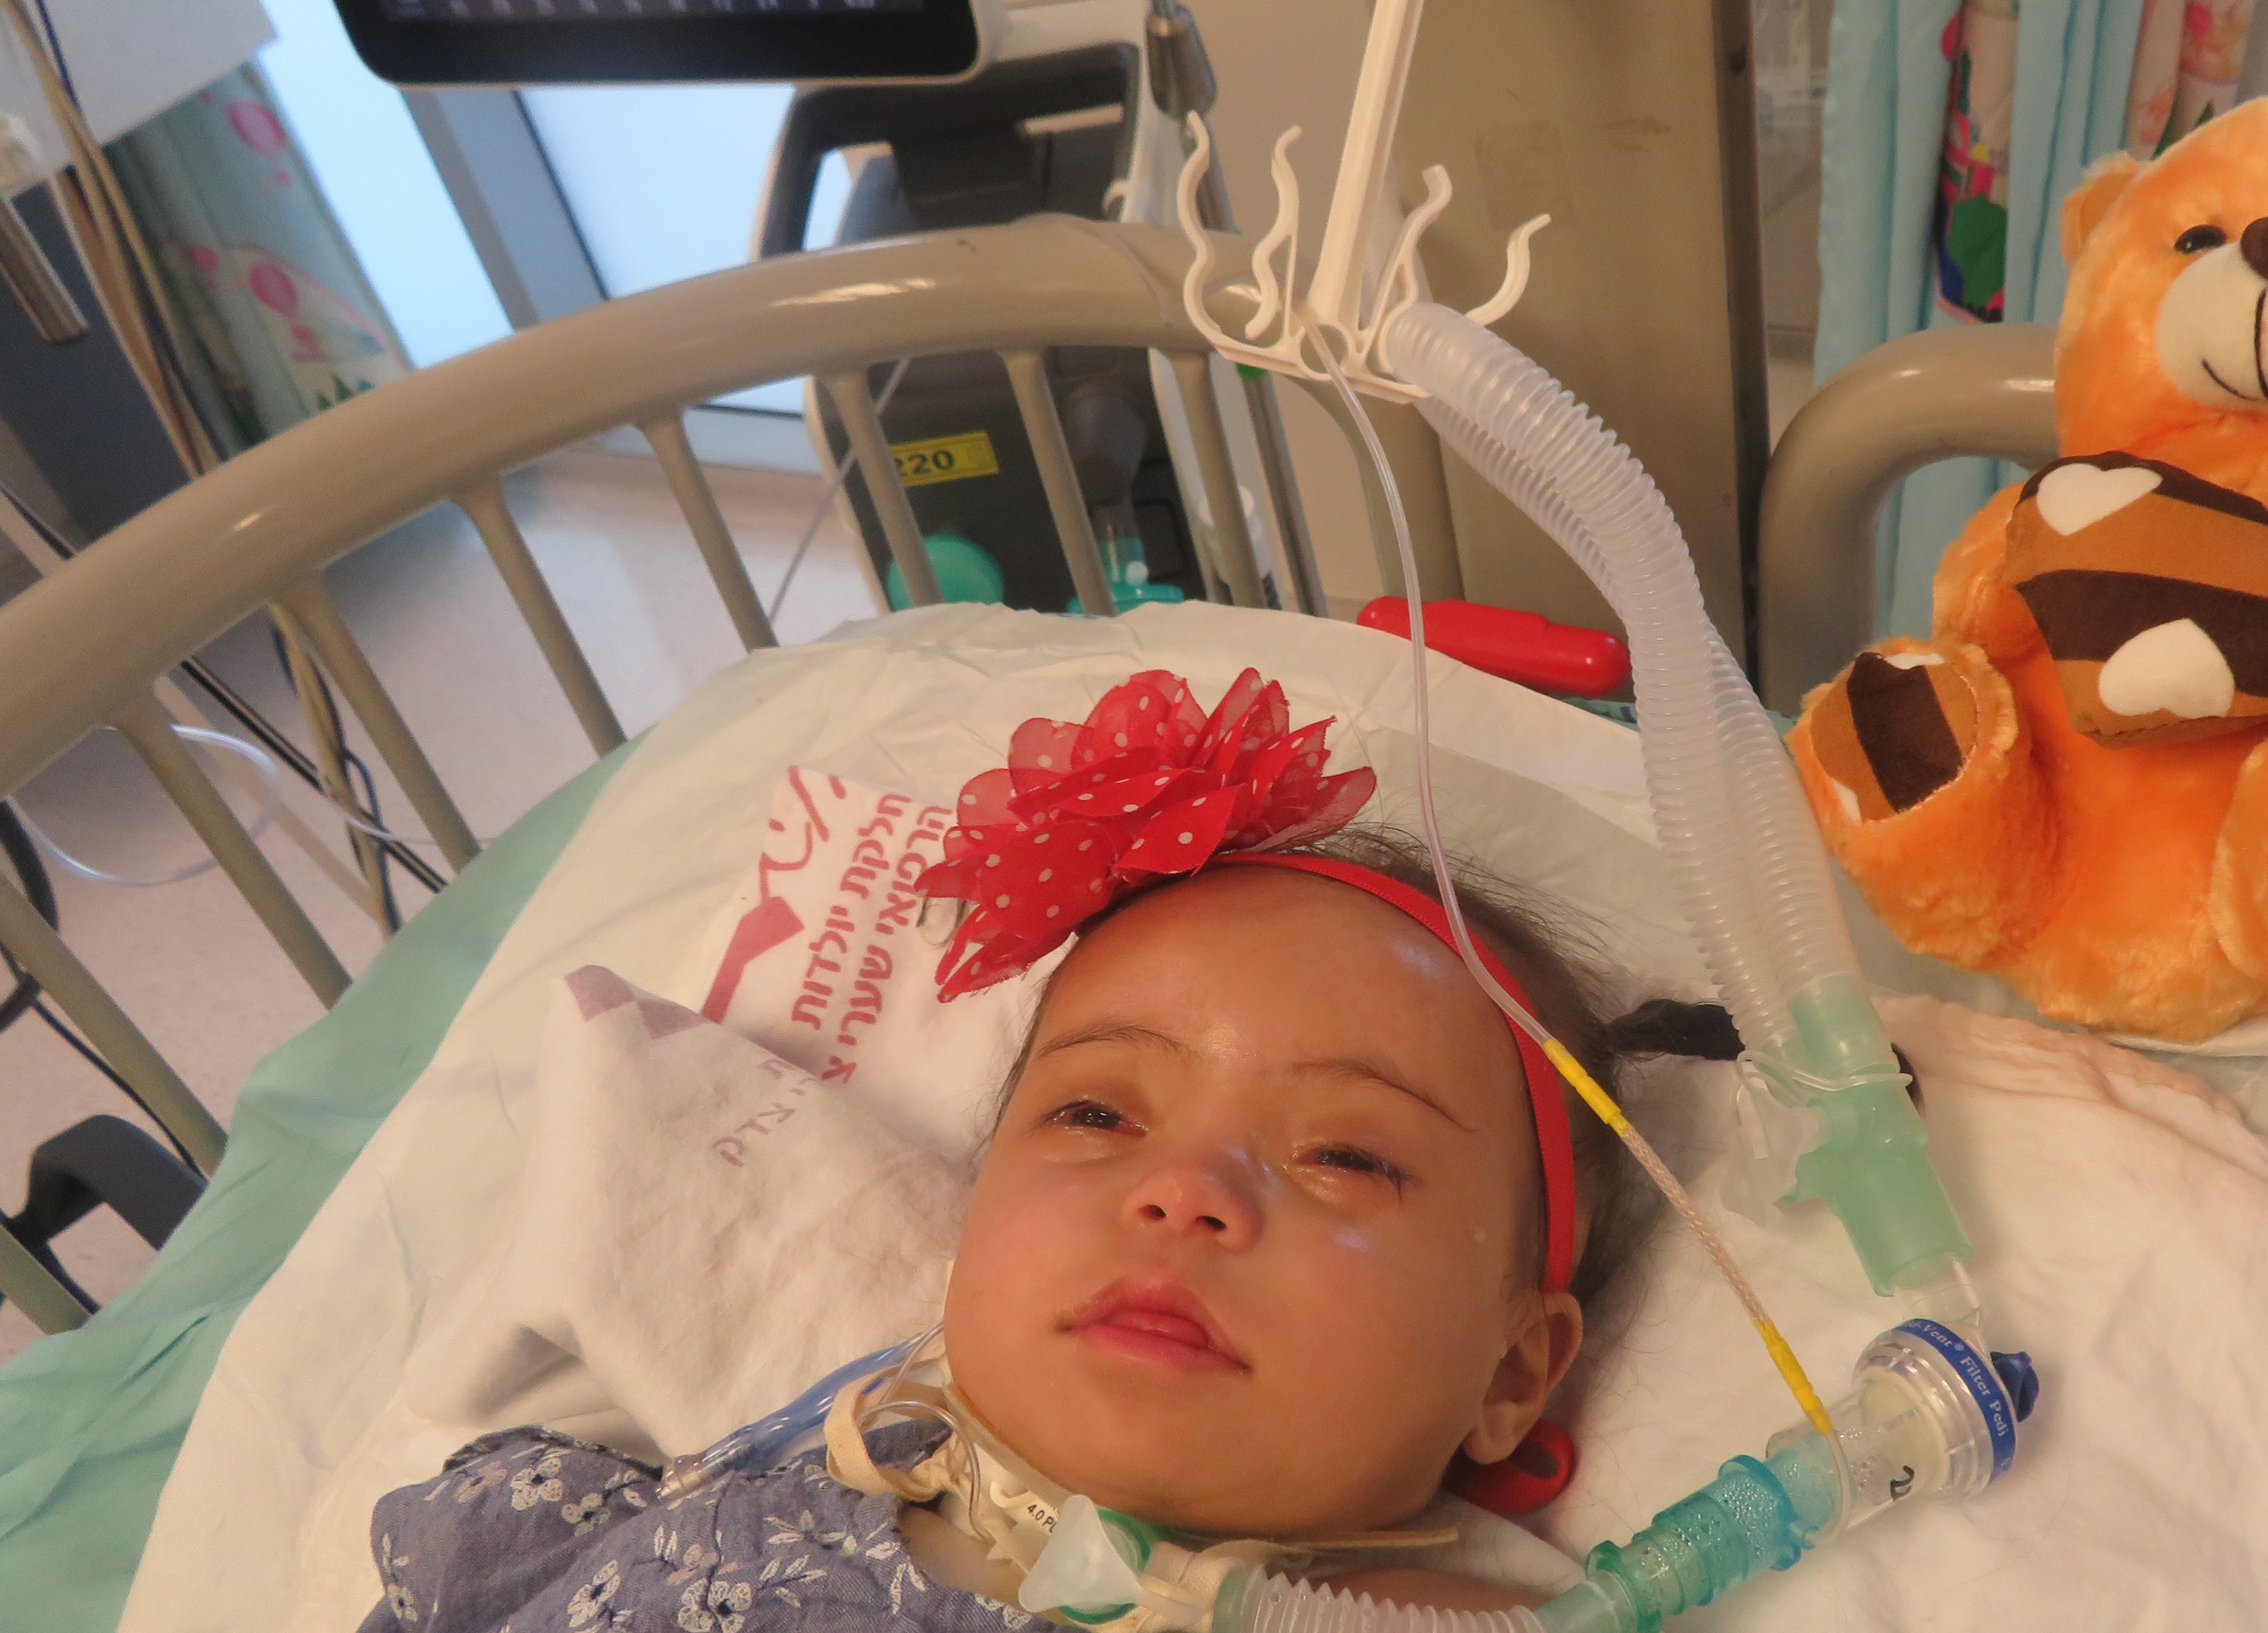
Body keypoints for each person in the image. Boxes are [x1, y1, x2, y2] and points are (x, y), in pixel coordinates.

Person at [360, 673, 1730, 1632]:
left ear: (1511, 1371)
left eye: (1345, 1156)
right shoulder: (857, 1434)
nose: (1183, 1190)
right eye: (1097, 1116)